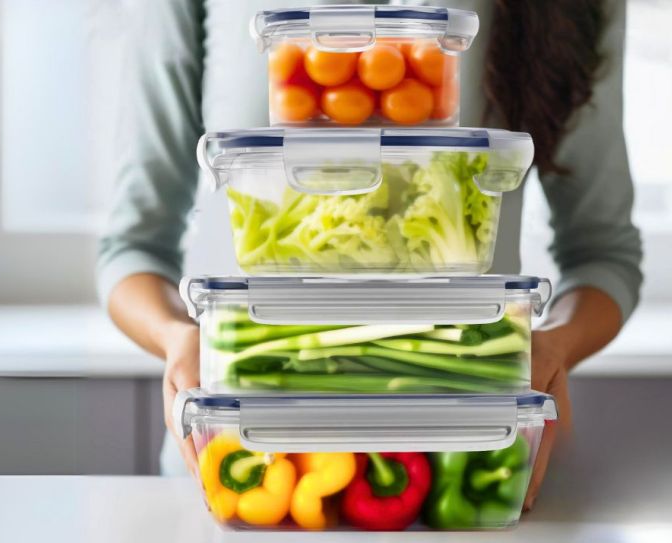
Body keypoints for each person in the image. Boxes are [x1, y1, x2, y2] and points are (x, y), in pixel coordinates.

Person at [98, 0, 642, 512]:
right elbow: (132, 248)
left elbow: (603, 253)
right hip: (243, 464)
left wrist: (551, 348)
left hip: (461, 459)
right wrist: (180, 338)